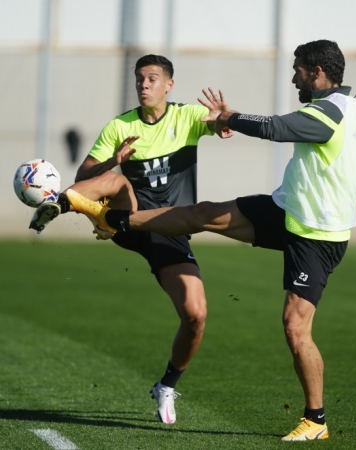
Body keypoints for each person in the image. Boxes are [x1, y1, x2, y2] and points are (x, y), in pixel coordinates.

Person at [52, 40, 356, 441]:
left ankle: (316, 421)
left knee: (295, 328)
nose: (293, 76)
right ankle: (116, 218)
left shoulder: (327, 114)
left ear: (316, 72)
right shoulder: (355, 109)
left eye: (298, 70)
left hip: (316, 236)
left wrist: (231, 116)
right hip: (285, 211)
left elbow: (275, 128)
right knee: (204, 214)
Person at [29, 54, 232, 424]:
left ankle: (167, 385)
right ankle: (58, 203)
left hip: (167, 230)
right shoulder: (119, 126)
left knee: (196, 314)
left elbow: (219, 125)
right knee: (117, 180)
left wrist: (223, 121)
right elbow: (85, 173)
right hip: (129, 219)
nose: (144, 84)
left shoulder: (186, 117)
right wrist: (115, 159)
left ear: (169, 84)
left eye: (152, 78)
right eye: (140, 78)